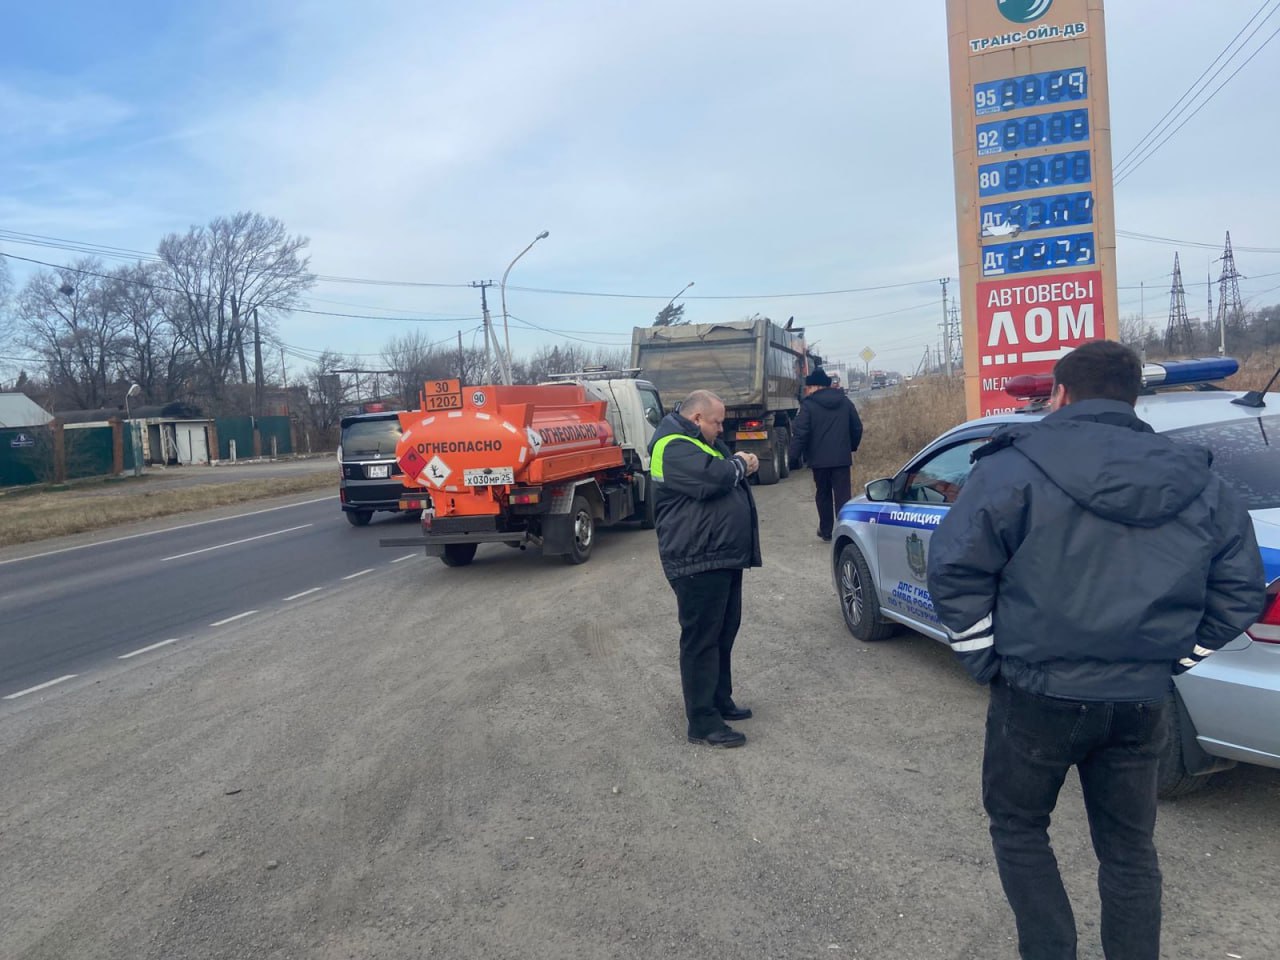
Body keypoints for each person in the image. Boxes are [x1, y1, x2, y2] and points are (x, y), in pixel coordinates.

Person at [926, 340, 1265, 960]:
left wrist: (984, 660)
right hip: (1140, 698)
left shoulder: (1011, 467)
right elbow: (1240, 591)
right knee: (1129, 851)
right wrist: (1174, 662)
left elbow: (954, 571)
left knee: (1020, 828)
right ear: (1133, 398)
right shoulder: (1201, 481)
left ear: (1059, 394)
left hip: (1036, 691)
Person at [649, 389, 763, 748]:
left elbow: (725, 471)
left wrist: (737, 465)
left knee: (724, 631)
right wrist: (741, 464)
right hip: (696, 557)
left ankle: (718, 699)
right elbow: (713, 478)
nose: (721, 428)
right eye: (717, 422)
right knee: (701, 639)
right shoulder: (671, 445)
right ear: (697, 418)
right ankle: (702, 721)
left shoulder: (703, 442)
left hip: (719, 555)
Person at [788, 368, 863, 542]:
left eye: (809, 387)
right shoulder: (844, 401)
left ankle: (826, 530)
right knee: (843, 495)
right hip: (841, 459)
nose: (807, 390)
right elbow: (857, 427)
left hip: (819, 460)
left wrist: (792, 458)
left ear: (816, 386)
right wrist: (851, 446)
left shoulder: (808, 406)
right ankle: (845, 530)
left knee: (823, 494)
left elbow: (800, 433)